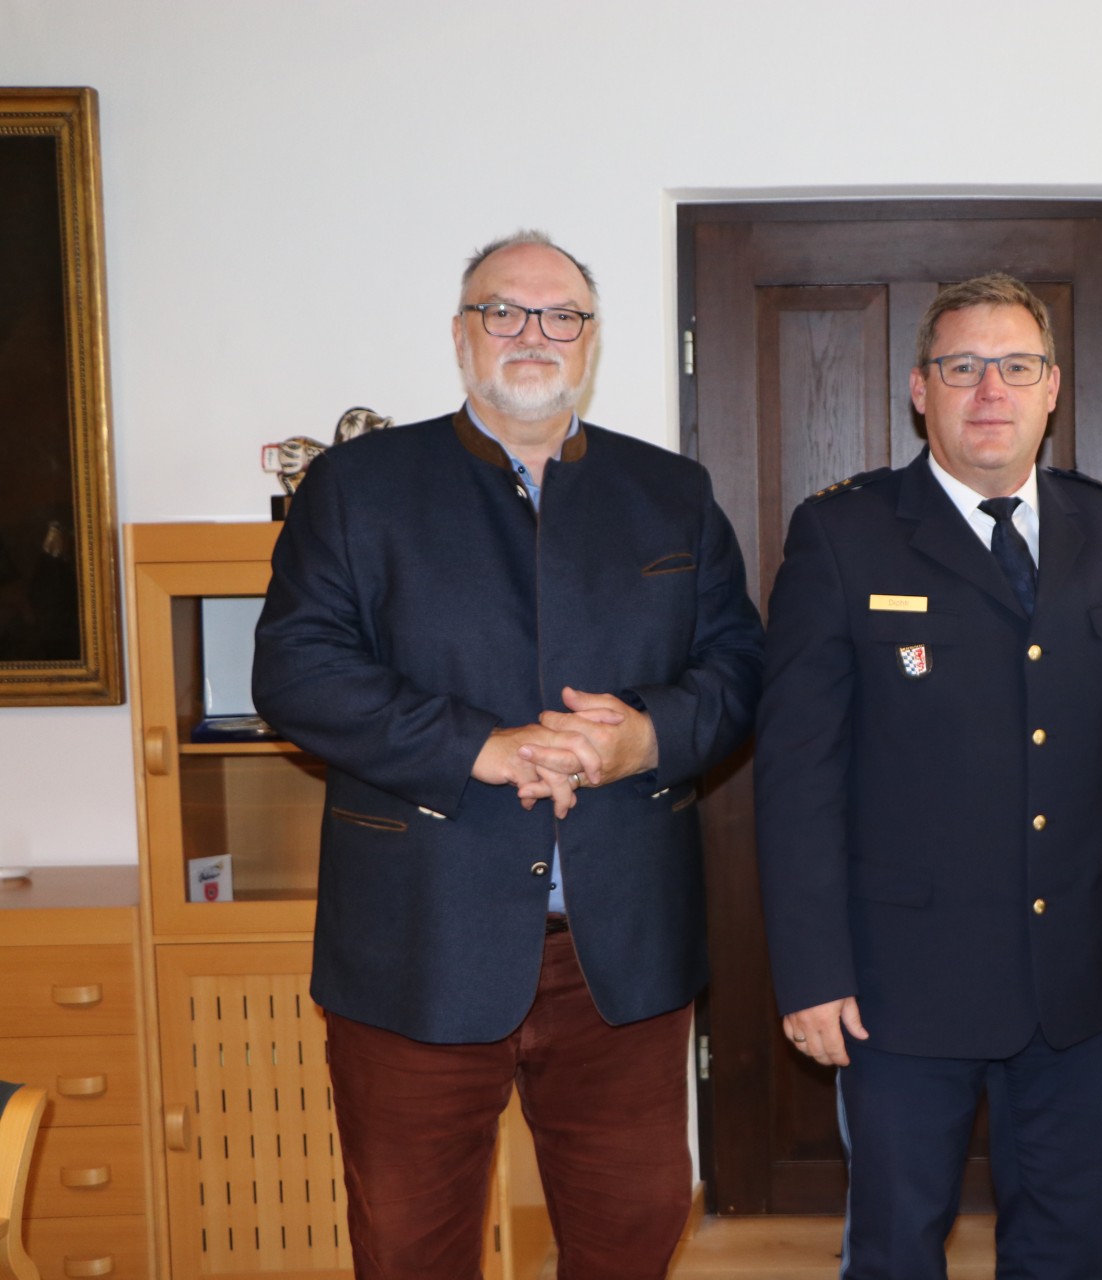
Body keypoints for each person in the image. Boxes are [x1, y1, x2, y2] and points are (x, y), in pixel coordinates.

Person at [253, 230, 763, 1280]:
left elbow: (739, 669)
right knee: (408, 1245)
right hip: (416, 943)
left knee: (637, 1224)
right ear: (460, 333)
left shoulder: (671, 492)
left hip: (618, 953)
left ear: (591, 341)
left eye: (561, 314)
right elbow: (297, 672)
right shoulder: (354, 488)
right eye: (505, 310)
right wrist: (475, 746)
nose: (534, 334)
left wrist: (646, 736)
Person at [754, 273, 1102, 1279]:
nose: (989, 389)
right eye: (963, 367)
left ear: (1052, 387)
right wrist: (811, 967)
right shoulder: (845, 534)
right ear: (920, 389)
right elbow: (797, 774)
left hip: (1079, 972)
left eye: (1014, 366)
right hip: (899, 980)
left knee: (1061, 1245)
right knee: (895, 1244)